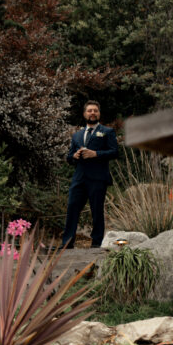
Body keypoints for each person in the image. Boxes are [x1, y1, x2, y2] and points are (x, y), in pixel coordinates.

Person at [61, 100, 118, 249]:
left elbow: (115, 152)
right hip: (79, 178)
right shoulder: (77, 135)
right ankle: (67, 243)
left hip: (98, 178)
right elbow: (69, 157)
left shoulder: (107, 131)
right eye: (89, 110)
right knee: (72, 208)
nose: (92, 113)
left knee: (97, 212)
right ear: (84, 113)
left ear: (99, 113)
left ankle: (96, 244)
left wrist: (95, 154)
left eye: (95, 111)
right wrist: (74, 156)